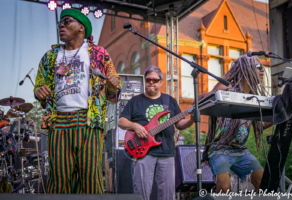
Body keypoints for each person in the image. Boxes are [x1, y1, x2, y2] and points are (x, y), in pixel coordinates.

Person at [33, 9, 122, 194]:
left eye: (67, 21)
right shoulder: (50, 56)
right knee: (59, 178)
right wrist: (39, 91)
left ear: (81, 27)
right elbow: (39, 86)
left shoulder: (98, 53)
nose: (61, 25)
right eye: (60, 23)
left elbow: (114, 88)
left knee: (90, 176)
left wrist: (113, 83)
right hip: (58, 121)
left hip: (88, 120)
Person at [118, 65, 194, 200]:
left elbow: (180, 124)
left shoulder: (169, 100)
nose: (151, 82)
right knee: (141, 194)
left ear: (160, 82)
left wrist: (192, 119)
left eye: (154, 80)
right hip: (143, 152)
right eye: (148, 80)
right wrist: (135, 126)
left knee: (167, 194)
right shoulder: (135, 101)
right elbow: (121, 122)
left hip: (167, 153)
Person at [201, 55, 272, 193]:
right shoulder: (228, 90)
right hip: (220, 149)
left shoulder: (254, 98)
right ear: (245, 69)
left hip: (241, 150)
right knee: (224, 187)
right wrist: (225, 81)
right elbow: (203, 98)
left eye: (263, 67)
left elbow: (259, 126)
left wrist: (284, 117)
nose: (262, 70)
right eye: (258, 67)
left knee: (263, 183)